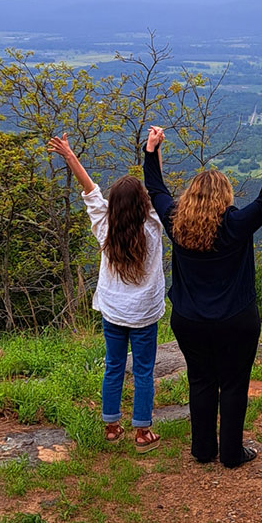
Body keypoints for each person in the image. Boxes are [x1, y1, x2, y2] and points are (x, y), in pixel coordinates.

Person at [143, 126, 262, 468]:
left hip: (189, 320)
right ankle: (232, 453)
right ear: (225, 196)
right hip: (236, 319)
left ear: (191, 195)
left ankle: (203, 448)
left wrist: (151, 151)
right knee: (234, 384)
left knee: (200, 379)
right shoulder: (234, 224)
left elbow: (155, 189)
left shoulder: (176, 221)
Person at [46, 133, 165, 453]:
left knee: (114, 366)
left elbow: (89, 190)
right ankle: (142, 433)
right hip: (143, 315)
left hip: (113, 312)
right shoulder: (153, 228)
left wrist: (69, 154)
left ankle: (112, 426)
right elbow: (158, 190)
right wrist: (153, 151)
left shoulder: (105, 226)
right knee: (143, 371)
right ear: (144, 206)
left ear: (114, 206)